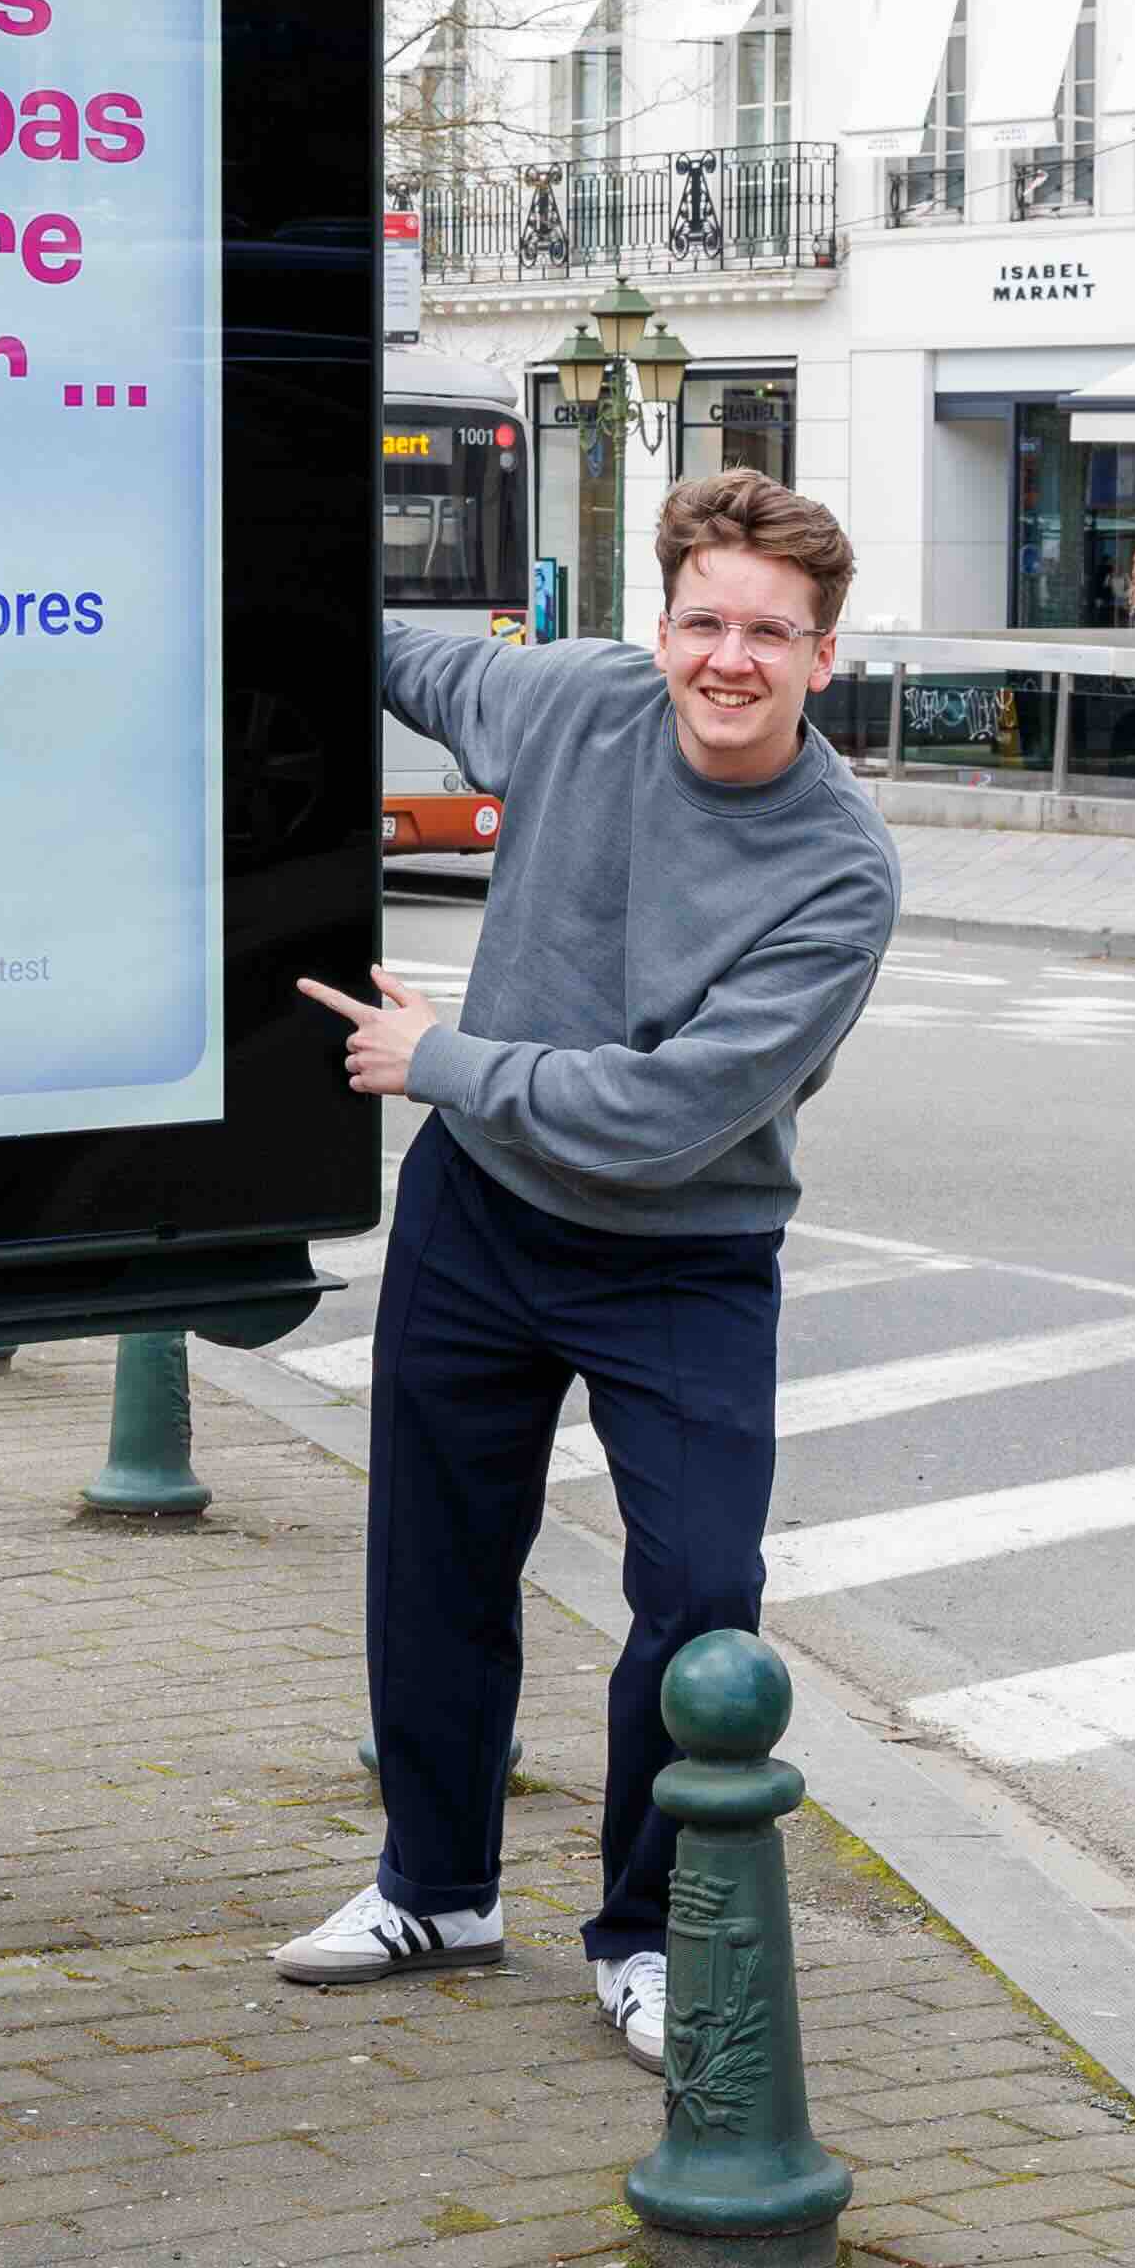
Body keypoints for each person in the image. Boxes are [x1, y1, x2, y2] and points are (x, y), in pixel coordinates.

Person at [277, 470, 903, 2069]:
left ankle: (645, 1930)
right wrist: (254, 548)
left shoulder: (841, 873)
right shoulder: (573, 701)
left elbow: (669, 1112)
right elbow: (403, 656)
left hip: (685, 1256)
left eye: (772, 631)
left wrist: (443, 1060)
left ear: (823, 655)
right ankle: (435, 1882)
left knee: (700, 1598)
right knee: (435, 1551)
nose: (730, 658)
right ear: (661, 622)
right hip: (480, 1218)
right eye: (705, 619)